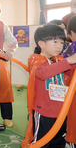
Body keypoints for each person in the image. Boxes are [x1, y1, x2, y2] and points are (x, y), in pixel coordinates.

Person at [22, 24, 76, 147]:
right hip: (44, 112)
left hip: (60, 112)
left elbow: (71, 72)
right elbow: (43, 73)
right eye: (55, 41)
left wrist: (69, 63)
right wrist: (68, 61)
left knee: (58, 142)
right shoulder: (35, 59)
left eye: (62, 43)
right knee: (41, 142)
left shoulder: (59, 59)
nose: (59, 46)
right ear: (41, 43)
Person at [61, 15, 76, 147]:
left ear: (71, 33)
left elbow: (63, 63)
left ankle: (71, 140)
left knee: (72, 117)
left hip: (72, 90)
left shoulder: (72, 47)